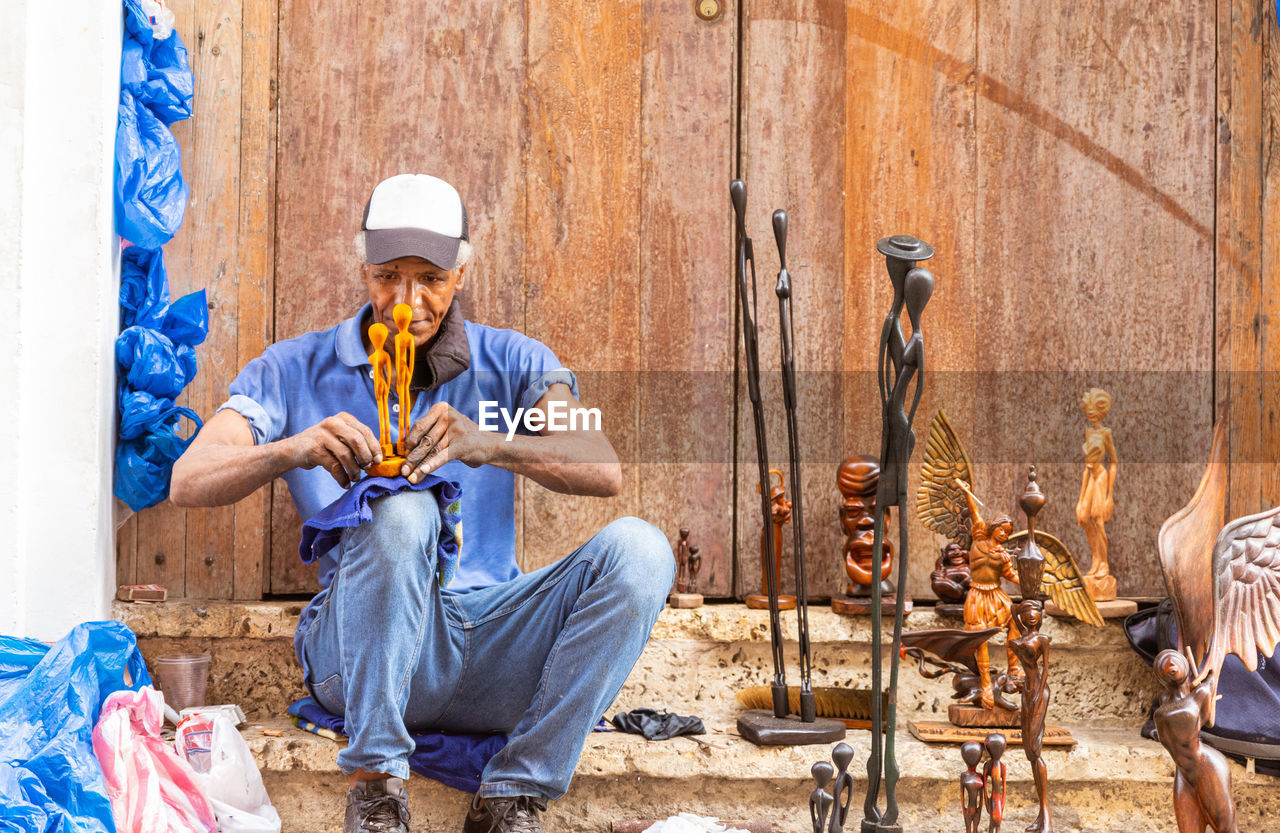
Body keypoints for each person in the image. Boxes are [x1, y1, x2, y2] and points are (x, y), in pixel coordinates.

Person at [170, 173, 675, 833]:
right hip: (358, 655)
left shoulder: (511, 362)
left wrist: (492, 443)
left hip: (489, 640)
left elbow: (601, 465)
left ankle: (512, 794)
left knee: (643, 550)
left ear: (462, 272)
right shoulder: (294, 368)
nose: (407, 299)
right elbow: (189, 478)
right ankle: (378, 788)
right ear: (362, 269)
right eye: (387, 276)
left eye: (430, 278)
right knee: (403, 508)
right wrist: (291, 448)